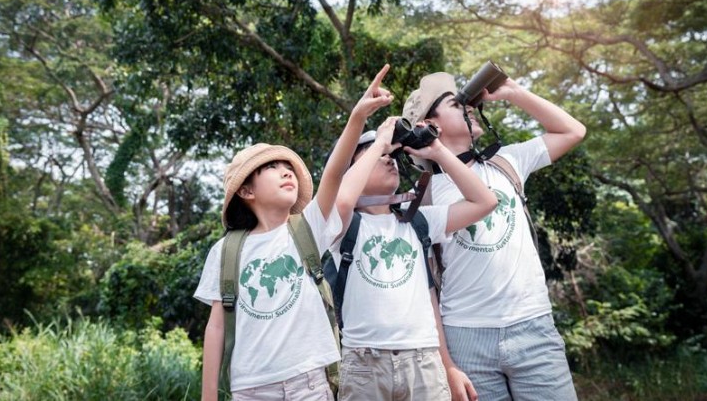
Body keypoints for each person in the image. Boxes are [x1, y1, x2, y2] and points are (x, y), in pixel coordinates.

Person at [193, 65, 394, 401]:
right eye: (271, 168)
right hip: (251, 390)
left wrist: (356, 118)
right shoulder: (226, 251)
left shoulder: (307, 228)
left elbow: (333, 174)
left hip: (310, 385)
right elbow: (216, 326)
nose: (285, 172)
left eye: (288, 167)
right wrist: (208, 396)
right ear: (246, 191)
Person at [402, 72, 587, 401]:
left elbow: (573, 131)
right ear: (432, 124)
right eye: (456, 104)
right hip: (465, 335)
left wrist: (514, 92)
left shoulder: (507, 162)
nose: (469, 108)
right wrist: (447, 364)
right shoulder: (423, 195)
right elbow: (425, 287)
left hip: (533, 325)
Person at [325, 101, 498, 399]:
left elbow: (485, 202)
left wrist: (437, 152)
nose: (389, 159)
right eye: (377, 156)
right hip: (365, 362)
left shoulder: (416, 219)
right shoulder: (339, 224)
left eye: (393, 155)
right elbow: (341, 200)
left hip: (424, 359)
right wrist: (380, 140)